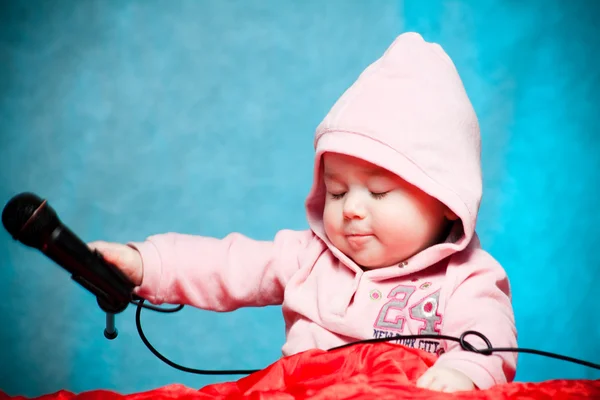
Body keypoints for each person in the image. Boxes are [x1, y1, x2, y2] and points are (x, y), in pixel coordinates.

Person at [89, 32, 517, 393]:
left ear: (445, 202)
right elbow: (226, 264)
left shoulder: (467, 278)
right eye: (336, 191)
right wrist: (144, 262)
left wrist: (463, 372)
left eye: (379, 192)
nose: (351, 209)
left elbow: (489, 337)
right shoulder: (309, 256)